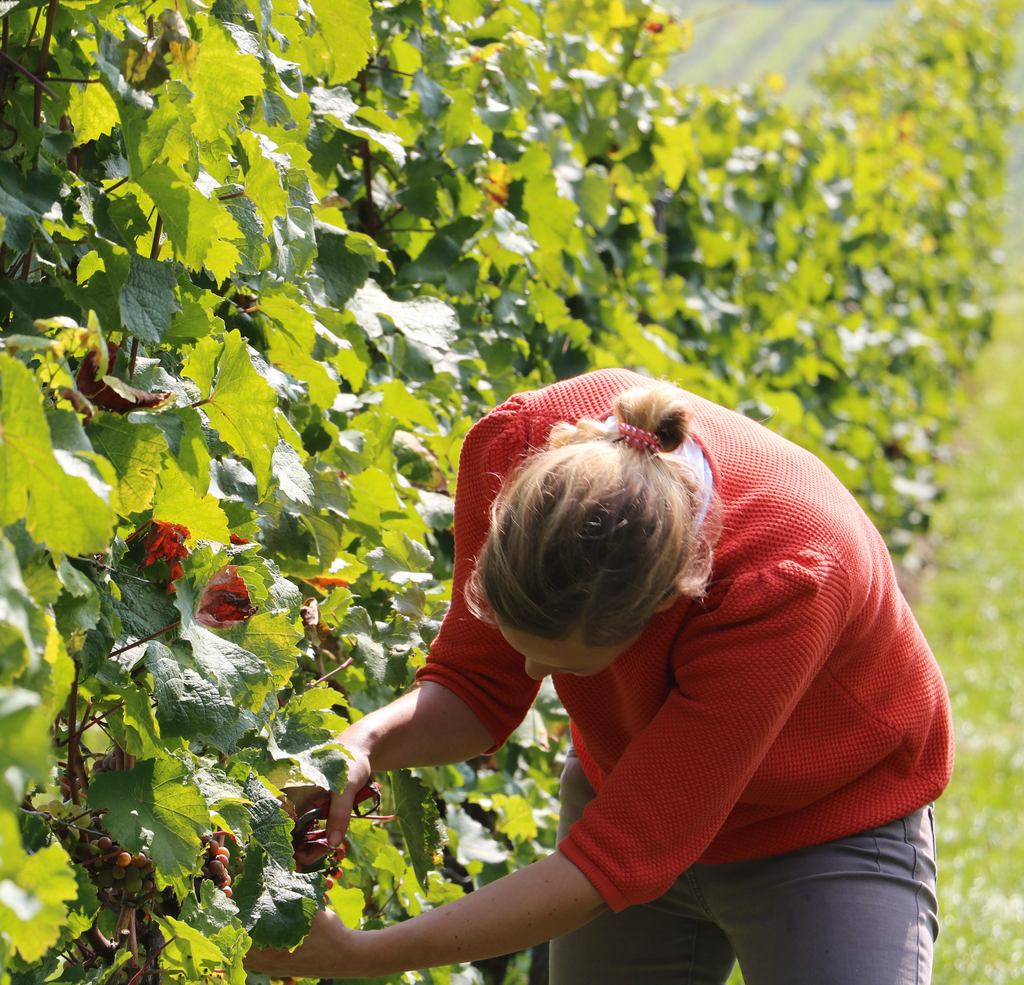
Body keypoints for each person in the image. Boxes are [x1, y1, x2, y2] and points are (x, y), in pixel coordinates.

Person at [247, 368, 953, 985]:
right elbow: (479, 686)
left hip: (826, 818)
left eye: (563, 666)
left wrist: (360, 954)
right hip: (629, 783)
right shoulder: (521, 449)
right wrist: (360, 747)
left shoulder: (786, 574)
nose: (531, 673)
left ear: (669, 600)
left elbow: (615, 858)